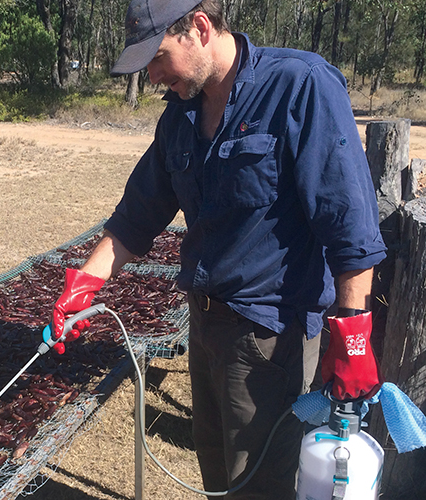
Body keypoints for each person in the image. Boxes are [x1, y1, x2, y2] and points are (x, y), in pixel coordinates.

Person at [50, 0, 387, 498]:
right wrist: (85, 283)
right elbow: (137, 216)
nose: (154, 76)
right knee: (217, 477)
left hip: (269, 336)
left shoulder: (300, 86)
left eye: (159, 57)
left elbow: (349, 223)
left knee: (259, 486)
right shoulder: (182, 114)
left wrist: (353, 331)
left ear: (199, 29)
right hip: (205, 326)